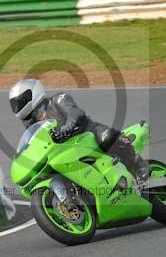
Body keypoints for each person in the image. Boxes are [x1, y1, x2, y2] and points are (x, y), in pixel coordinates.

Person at [9, 79, 149, 187]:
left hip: (87, 134)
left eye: (19, 102)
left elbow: (76, 114)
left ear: (32, 94)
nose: (17, 107)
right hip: (65, 151)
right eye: (14, 104)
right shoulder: (31, 124)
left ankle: (139, 164)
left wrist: (67, 128)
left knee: (106, 136)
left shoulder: (58, 99)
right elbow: (34, 143)